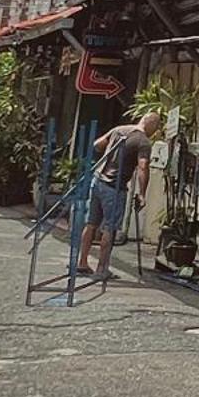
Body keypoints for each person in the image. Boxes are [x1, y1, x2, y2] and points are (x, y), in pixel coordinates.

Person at [78, 111, 158, 280]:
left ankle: (82, 262)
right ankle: (102, 268)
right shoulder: (144, 142)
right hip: (114, 186)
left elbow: (97, 144)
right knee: (110, 228)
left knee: (91, 223)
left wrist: (112, 154)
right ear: (152, 125)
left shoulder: (120, 129)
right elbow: (143, 167)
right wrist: (142, 194)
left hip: (98, 180)